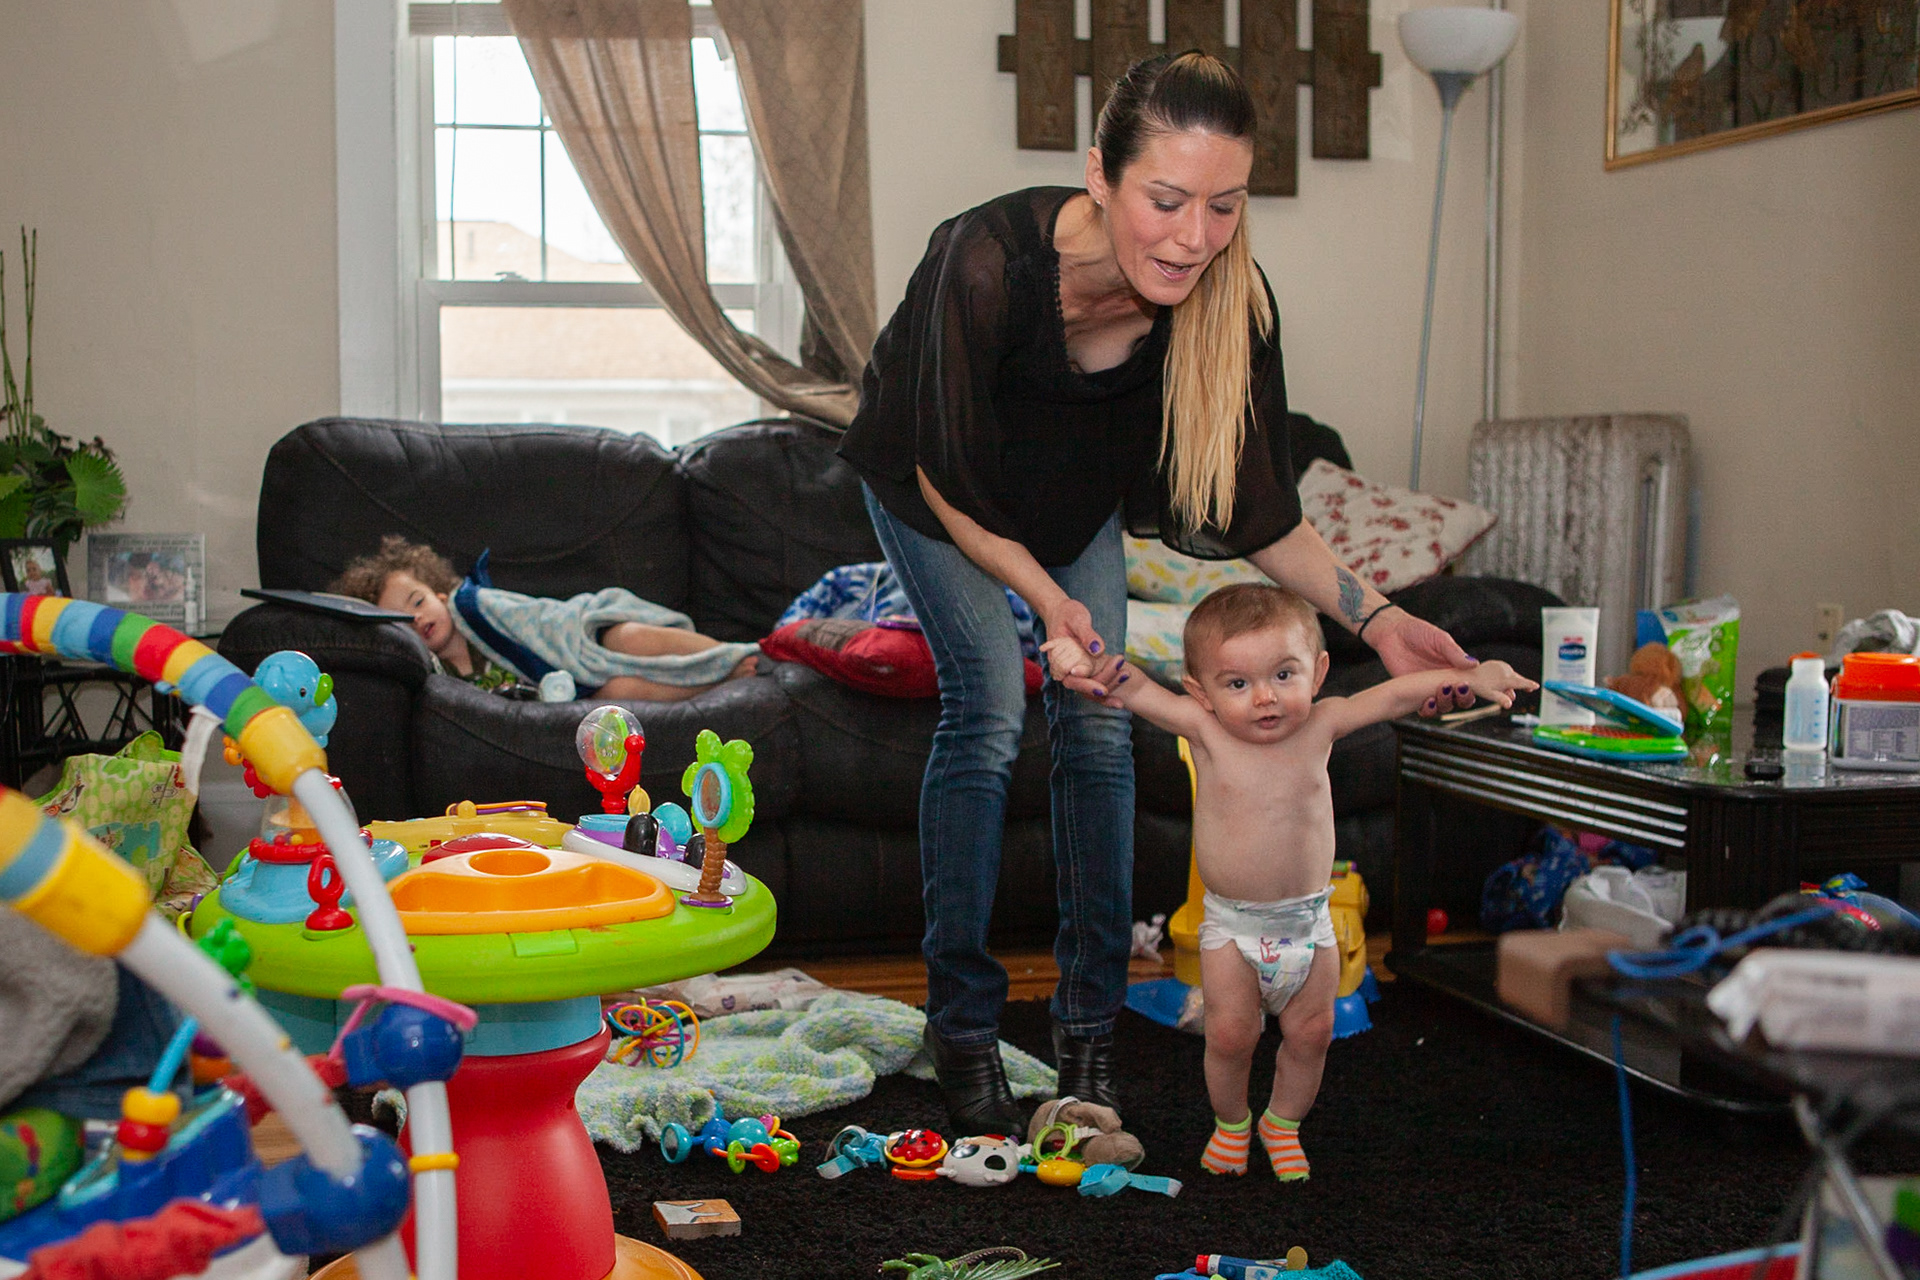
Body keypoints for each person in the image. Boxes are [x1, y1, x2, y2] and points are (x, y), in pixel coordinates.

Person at [836, 50, 1477, 1133]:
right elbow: (947, 468)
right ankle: (960, 1021)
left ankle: (1087, 1033)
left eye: (1223, 206)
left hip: (1066, 502)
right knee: (992, 706)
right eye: (1167, 199)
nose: (1193, 236)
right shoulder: (982, 259)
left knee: (1097, 729)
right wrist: (1049, 605)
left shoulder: (1227, 300)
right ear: (1101, 174)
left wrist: (1378, 615)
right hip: (934, 488)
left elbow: (1262, 507)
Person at [1046, 584, 1534, 1177]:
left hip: (1309, 923)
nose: (1265, 699)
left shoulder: (1322, 724)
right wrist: (1093, 664)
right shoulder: (1204, 731)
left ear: (1319, 671)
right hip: (1232, 928)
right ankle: (1231, 1125)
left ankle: (1281, 1122)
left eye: (1283, 675)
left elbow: (1393, 694)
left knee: (1314, 1031)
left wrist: (1476, 675)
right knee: (1230, 1036)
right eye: (1237, 684)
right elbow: (1140, 688)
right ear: (1200, 692)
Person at [331, 536, 760, 702]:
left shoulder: (476, 608)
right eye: (401, 620)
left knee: (627, 636)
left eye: (419, 601)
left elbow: (542, 623)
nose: (417, 619)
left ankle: (734, 652)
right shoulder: (434, 673)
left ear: (441, 594)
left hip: (582, 631)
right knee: (618, 692)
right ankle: (725, 678)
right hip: (578, 690)